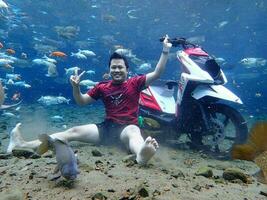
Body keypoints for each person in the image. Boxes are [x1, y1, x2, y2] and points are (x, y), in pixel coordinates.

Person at [7, 36, 172, 165]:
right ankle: (22, 145)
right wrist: (76, 87)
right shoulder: (102, 86)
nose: (116, 70)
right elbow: (82, 101)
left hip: (126, 128)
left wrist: (165, 51)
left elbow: (157, 72)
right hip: (106, 129)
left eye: (120, 67)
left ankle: (140, 156)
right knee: (72, 132)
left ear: (127, 70)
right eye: (113, 67)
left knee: (133, 132)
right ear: (109, 70)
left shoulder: (134, 83)